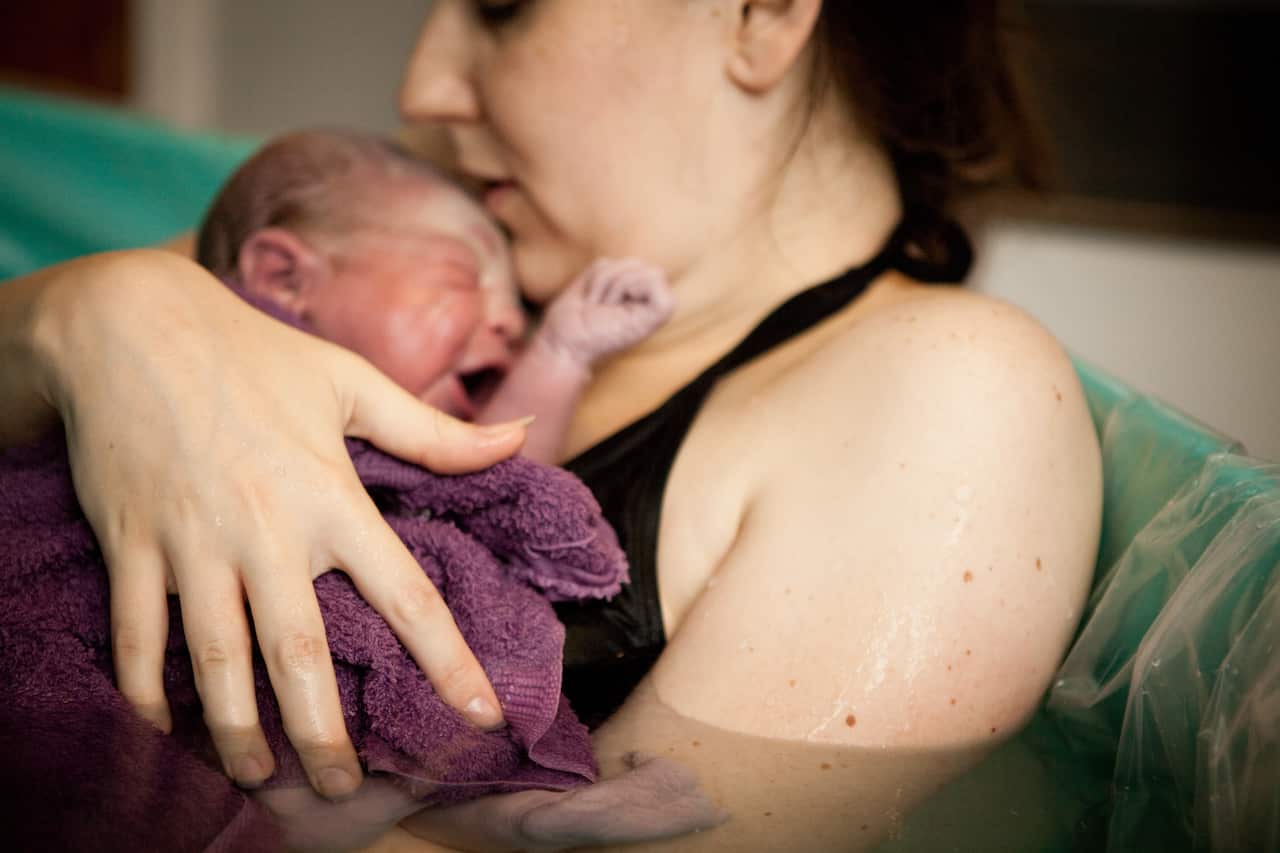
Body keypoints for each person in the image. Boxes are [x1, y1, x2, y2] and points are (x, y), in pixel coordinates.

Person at [0, 1, 1103, 849]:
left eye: (500, 2)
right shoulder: (438, 212)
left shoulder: (940, 397)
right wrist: (91, 314)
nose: (423, 83)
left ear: (761, 14)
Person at [196, 128, 674, 464]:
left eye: (516, 307)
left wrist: (560, 353)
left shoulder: (425, 462)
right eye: (463, 275)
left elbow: (501, 484)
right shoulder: (192, 402)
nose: (511, 323)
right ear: (284, 280)